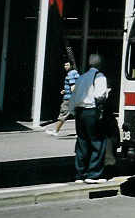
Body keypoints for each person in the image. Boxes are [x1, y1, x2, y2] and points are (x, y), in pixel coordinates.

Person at [69, 54, 110, 184]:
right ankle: (93, 174)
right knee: (98, 142)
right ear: (100, 64)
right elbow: (99, 95)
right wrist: (107, 94)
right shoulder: (100, 76)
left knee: (82, 143)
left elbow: (73, 98)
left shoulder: (81, 77)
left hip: (79, 112)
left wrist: (74, 112)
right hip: (92, 112)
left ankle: (80, 174)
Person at [45, 59, 80, 136]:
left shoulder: (70, 74)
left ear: (71, 66)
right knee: (78, 116)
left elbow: (73, 87)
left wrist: (70, 93)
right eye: (64, 65)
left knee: (63, 114)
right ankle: (80, 133)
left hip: (69, 99)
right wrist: (65, 90)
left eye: (67, 65)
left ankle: (55, 131)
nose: (65, 66)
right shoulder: (76, 73)